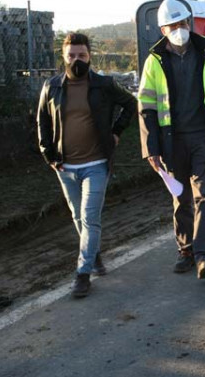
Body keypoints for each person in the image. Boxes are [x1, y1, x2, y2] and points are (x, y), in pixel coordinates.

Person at [138, 0, 205, 279]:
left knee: (204, 196)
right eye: (173, 26)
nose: (179, 29)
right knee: (180, 198)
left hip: (203, 139)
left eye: (182, 24)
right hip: (171, 142)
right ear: (163, 29)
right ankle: (186, 250)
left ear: (190, 24)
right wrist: (151, 148)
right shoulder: (154, 62)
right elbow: (146, 107)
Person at [37, 32, 136, 298]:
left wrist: (116, 131)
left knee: (90, 217)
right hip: (65, 167)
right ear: (63, 57)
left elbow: (130, 104)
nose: (76, 60)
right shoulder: (52, 87)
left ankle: (82, 274)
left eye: (81, 55)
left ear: (90, 55)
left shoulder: (104, 85)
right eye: (71, 55)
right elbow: (43, 123)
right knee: (78, 217)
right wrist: (49, 156)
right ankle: (94, 255)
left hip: (97, 163)